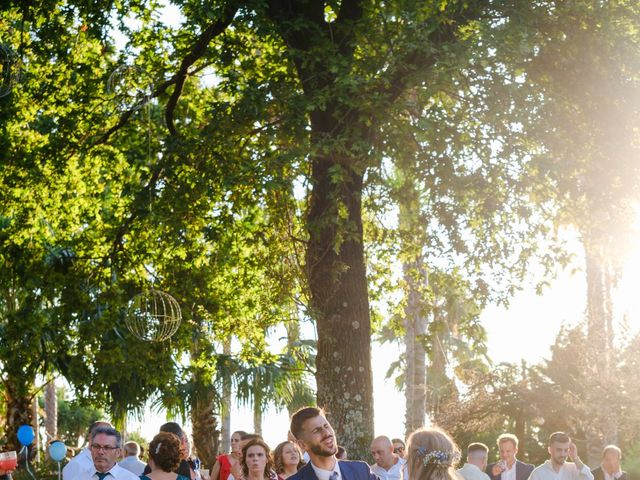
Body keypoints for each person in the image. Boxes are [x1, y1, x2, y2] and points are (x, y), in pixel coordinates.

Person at [287, 406, 378, 480]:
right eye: (316, 430)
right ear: (303, 445)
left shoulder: (361, 471)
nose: (327, 433)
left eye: (326, 426)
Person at [528, 432, 593, 480]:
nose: (563, 454)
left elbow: (589, 478)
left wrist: (575, 458)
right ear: (549, 450)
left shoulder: (574, 469)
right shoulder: (538, 473)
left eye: (566, 450)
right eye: (559, 450)